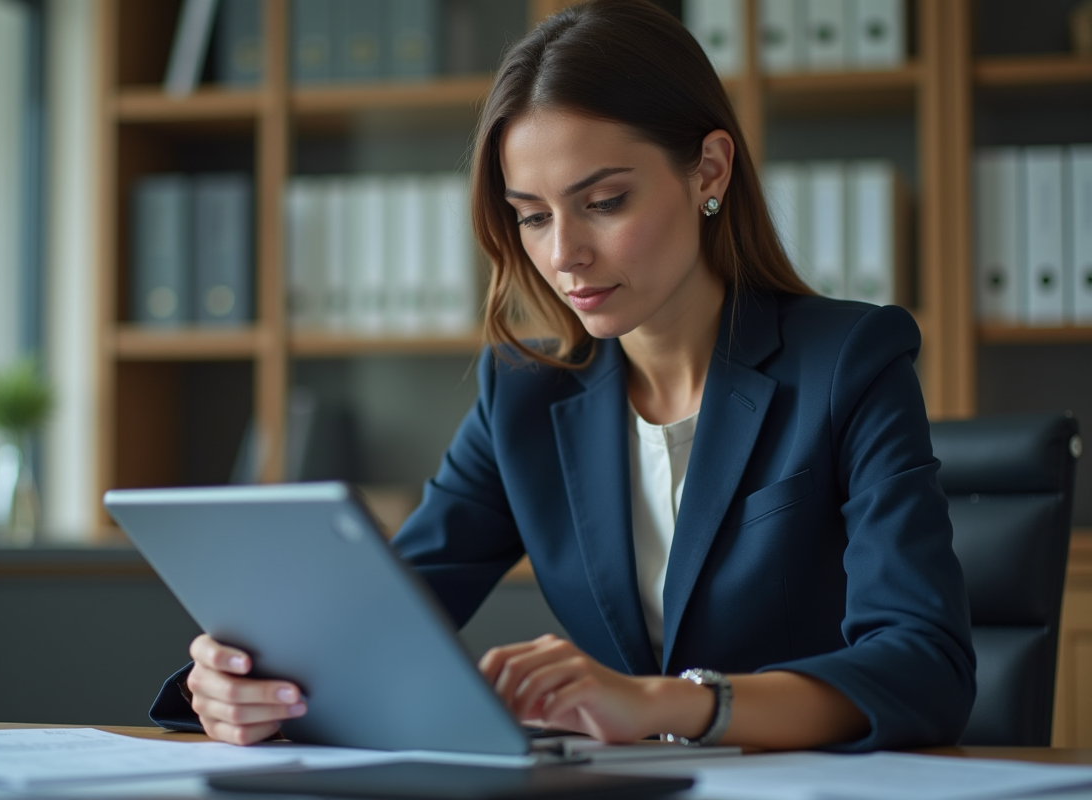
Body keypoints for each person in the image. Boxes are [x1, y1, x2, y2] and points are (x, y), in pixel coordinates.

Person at [149, 0, 975, 752]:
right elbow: (383, 621)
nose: (563, 254)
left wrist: (664, 703)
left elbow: (923, 666)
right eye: (532, 216)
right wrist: (234, 687)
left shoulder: (849, 361)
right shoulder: (524, 390)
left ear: (709, 171)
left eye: (605, 202)